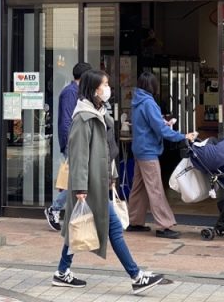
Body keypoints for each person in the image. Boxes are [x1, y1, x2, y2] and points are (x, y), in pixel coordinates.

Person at [53, 69, 167, 295]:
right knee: (112, 228)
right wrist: (81, 188)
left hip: (98, 182)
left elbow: (106, 151)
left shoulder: (100, 114)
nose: (108, 89)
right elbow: (79, 157)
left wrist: (112, 176)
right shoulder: (83, 119)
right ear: (93, 89)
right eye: (104, 85)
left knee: (78, 226)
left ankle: (62, 271)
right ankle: (136, 276)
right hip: (89, 186)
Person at [126, 72, 197, 238]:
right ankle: (163, 225)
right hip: (148, 151)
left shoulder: (136, 101)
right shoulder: (149, 103)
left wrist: (162, 121)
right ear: (153, 86)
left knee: (138, 188)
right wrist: (183, 136)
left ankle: (135, 222)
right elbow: (161, 130)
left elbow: (148, 124)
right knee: (155, 188)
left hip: (139, 149)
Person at [45, 61, 92, 232]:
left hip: (79, 142)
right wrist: (70, 144)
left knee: (78, 179)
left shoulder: (80, 92)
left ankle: (66, 211)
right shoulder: (70, 92)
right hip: (73, 143)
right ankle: (55, 208)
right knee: (76, 180)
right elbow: (66, 122)